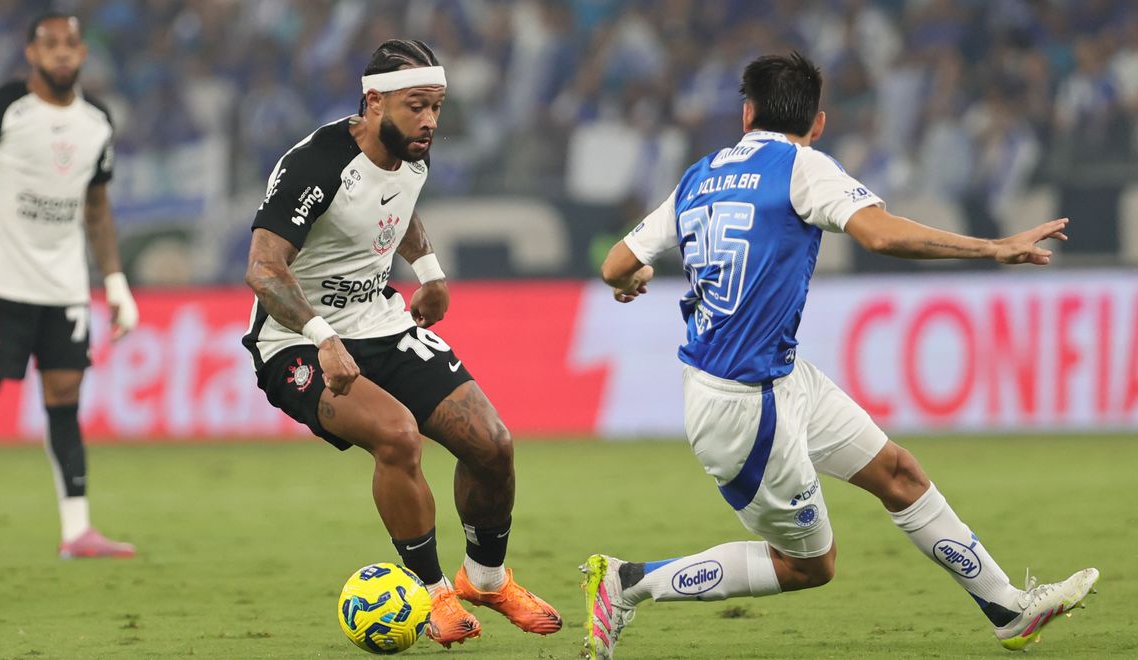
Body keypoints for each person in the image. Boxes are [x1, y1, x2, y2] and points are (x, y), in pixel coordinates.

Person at [582, 52, 1098, 658]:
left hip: (777, 374)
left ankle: (1006, 608)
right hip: (747, 405)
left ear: (746, 113)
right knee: (810, 566)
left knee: (899, 475)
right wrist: (993, 248)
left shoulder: (703, 173)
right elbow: (879, 233)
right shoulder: (802, 166)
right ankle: (626, 583)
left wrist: (635, 273)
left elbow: (614, 264)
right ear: (818, 122)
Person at [242, 39, 562, 647]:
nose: (431, 122)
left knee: (492, 444)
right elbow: (262, 268)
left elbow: (398, 209)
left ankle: (486, 581)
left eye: (437, 107)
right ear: (374, 101)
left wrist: (430, 269)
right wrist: (322, 338)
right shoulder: (316, 164)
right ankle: (433, 593)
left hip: (382, 323)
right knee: (397, 435)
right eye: (417, 106)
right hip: (296, 342)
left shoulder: (412, 154)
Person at [0, 13, 139, 558]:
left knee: (65, 399)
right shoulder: (1, 108)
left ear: (83, 53)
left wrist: (116, 283)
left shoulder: (98, 120)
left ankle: (77, 530)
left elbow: (96, 208)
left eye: (71, 43)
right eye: (50, 44)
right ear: (30, 52)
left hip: (65, 286)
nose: (62, 53)